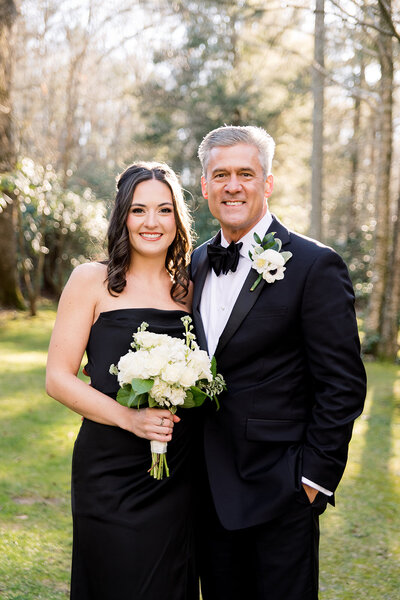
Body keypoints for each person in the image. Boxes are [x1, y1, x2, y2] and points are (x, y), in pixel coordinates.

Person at [190, 125, 367, 600]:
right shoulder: (194, 264)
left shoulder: (314, 265)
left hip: (280, 492)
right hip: (205, 491)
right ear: (205, 185)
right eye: (220, 174)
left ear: (266, 183)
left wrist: (311, 482)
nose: (233, 186)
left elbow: (343, 385)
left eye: (245, 174)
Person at [46, 162, 198, 600]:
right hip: (109, 470)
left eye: (164, 210)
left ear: (177, 219)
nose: (152, 222)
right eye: (139, 210)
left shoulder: (188, 287)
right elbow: (58, 378)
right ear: (122, 217)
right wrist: (129, 420)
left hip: (179, 471)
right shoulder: (91, 281)